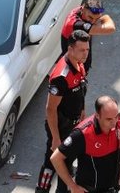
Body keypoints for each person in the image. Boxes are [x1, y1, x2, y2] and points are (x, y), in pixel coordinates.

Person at [36, 30, 90, 193]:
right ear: (70, 49)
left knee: (67, 161)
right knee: (52, 162)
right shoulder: (61, 76)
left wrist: (82, 111)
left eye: (87, 49)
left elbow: (80, 90)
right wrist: (55, 138)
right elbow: (50, 108)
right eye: (82, 50)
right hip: (61, 127)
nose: (85, 53)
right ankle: (42, 189)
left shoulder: (79, 64)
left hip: (73, 124)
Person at [51, 96, 120, 193]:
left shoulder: (118, 120)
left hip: (113, 187)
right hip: (90, 189)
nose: (114, 122)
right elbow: (55, 158)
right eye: (109, 119)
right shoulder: (82, 134)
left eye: (116, 117)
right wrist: (73, 186)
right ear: (97, 116)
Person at [60, 0, 115, 73]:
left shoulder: (80, 11)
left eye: (97, 18)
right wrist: (106, 17)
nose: (93, 21)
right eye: (90, 17)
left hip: (80, 55)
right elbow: (111, 28)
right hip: (74, 64)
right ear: (83, 9)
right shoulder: (77, 24)